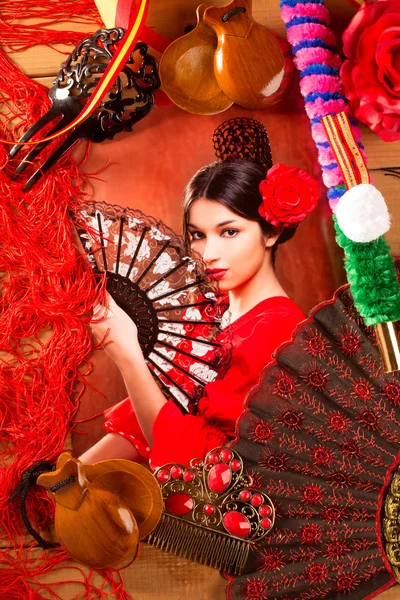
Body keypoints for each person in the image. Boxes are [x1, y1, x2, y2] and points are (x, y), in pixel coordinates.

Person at [79, 140, 318, 469]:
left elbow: (207, 467)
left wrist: (128, 356)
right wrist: (71, 480)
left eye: (229, 232)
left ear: (271, 232)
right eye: (197, 235)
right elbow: (162, 404)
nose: (208, 254)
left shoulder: (279, 331)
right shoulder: (211, 311)